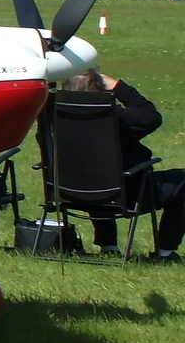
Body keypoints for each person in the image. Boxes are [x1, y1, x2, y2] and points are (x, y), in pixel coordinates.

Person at [62, 69, 183, 260]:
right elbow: (151, 116)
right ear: (102, 91)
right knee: (182, 181)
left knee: (95, 176)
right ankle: (165, 252)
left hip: (69, 191)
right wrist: (119, 87)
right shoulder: (114, 117)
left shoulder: (53, 117)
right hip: (127, 195)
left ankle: (108, 246)